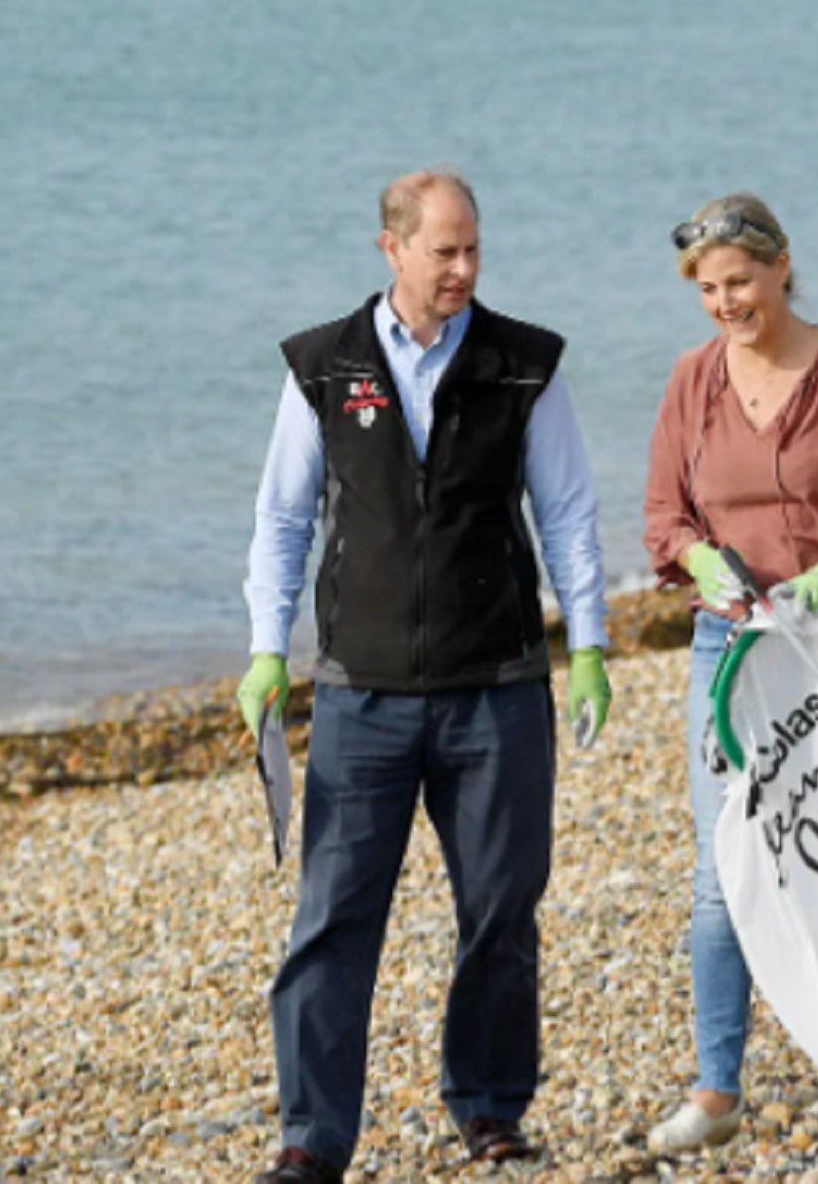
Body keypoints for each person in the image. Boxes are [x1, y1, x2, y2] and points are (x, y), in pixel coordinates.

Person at [238, 169, 612, 1183]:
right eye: (443, 251)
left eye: (474, 250)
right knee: (332, 920)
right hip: (359, 694)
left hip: (497, 687)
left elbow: (568, 513)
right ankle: (313, 1138)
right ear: (390, 248)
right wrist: (268, 647)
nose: (463, 269)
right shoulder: (322, 367)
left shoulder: (522, 364)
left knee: (501, 906)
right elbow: (282, 518)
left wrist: (591, 647)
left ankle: (490, 1109)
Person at [642, 191, 818, 1152]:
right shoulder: (691, 381)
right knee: (726, 870)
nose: (726, 302)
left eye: (740, 282)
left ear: (782, 267)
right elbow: (662, 519)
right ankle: (717, 1091)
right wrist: (698, 561)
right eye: (709, 289)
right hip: (730, 651)